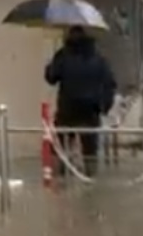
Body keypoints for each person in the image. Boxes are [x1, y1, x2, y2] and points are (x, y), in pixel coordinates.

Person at [44, 26, 116, 174]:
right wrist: (104, 106)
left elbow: (51, 77)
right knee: (90, 151)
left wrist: (51, 64)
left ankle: (62, 176)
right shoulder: (98, 58)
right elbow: (109, 84)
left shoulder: (63, 55)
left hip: (67, 110)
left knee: (62, 148)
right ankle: (90, 177)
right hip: (90, 111)